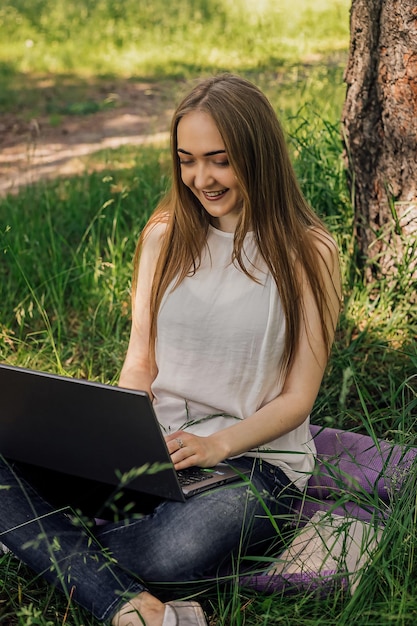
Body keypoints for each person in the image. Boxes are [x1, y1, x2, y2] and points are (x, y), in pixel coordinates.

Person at [0, 74, 341, 626]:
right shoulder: (164, 235)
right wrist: (117, 434)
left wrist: (215, 446)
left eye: (219, 160)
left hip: (253, 462)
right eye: (186, 160)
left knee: (166, 555)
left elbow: (298, 398)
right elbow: (141, 363)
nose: (200, 178)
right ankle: (137, 609)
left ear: (258, 154)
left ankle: (53, 546)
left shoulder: (310, 252)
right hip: (151, 453)